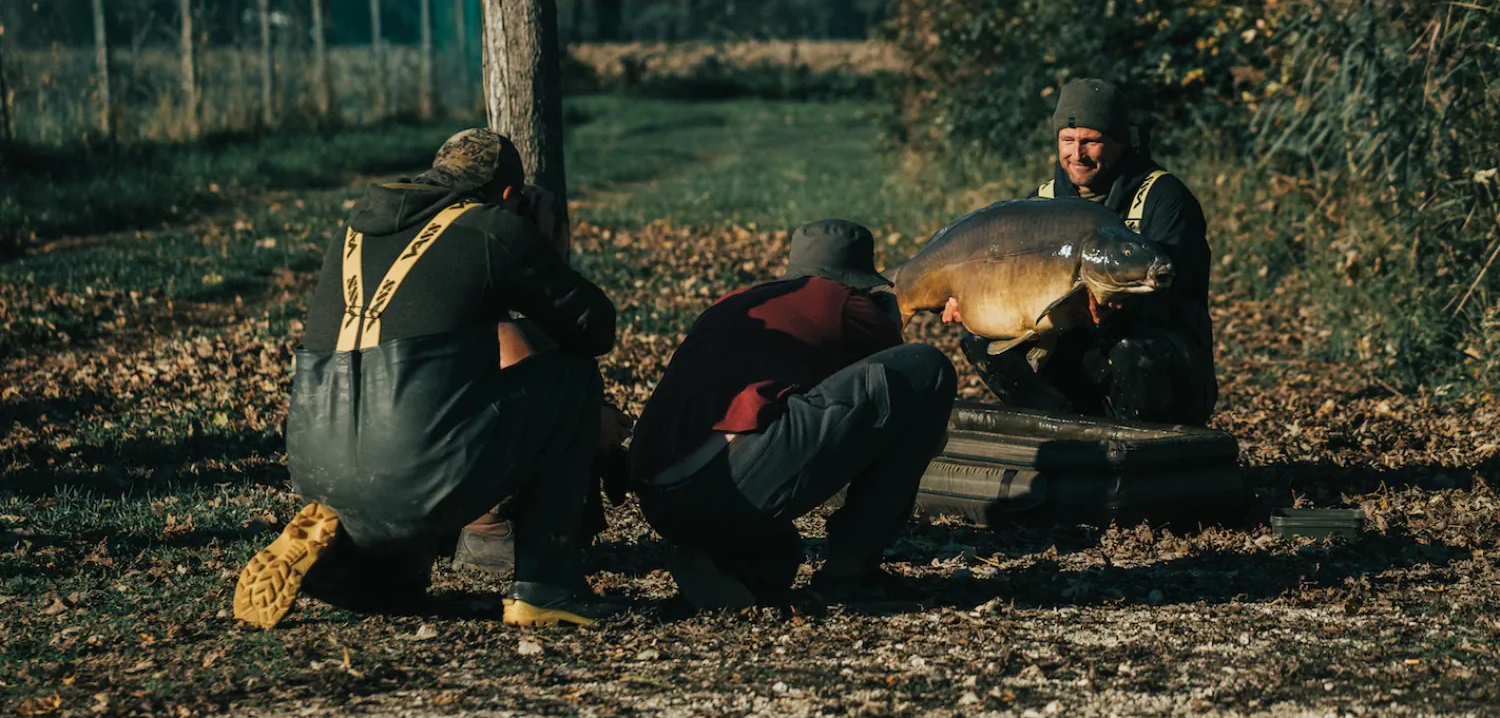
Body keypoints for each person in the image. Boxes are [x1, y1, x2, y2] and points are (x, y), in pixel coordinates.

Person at [233, 129, 628, 630]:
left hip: (317, 466)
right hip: (416, 467)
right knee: (570, 379)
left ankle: (359, 570)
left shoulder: (353, 230)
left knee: (424, 421)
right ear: (508, 196)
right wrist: (547, 248)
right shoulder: (491, 229)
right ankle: (547, 587)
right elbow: (595, 329)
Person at [629, 219, 958, 611]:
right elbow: (904, 383)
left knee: (781, 560)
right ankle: (852, 571)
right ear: (856, 278)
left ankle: (719, 560)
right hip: (730, 481)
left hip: (659, 497)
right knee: (927, 366)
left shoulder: (739, 301)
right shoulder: (841, 300)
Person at [951, 78, 1217, 425]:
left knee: (1131, 352)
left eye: (1091, 141)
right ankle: (1067, 434)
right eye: (1068, 140)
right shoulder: (1041, 202)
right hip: (1076, 358)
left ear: (1119, 141)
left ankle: (1143, 457)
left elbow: (1176, 287)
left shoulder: (1164, 197)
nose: (1077, 155)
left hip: (1162, 359)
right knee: (981, 342)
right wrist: (969, 298)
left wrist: (1118, 307)